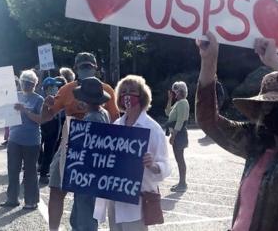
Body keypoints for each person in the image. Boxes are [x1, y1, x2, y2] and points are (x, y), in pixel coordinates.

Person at [195, 32, 278, 231]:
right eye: (268, 106)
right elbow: (209, 121)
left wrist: (275, 61)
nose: (275, 110)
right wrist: (209, 62)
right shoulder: (256, 141)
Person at [40, 52, 119, 231]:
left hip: (92, 154)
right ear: (76, 69)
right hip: (68, 147)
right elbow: (45, 118)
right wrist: (46, 105)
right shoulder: (67, 89)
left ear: (95, 67)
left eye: (88, 66)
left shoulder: (106, 90)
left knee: (85, 197)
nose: (86, 69)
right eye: (83, 67)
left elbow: (116, 122)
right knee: (57, 188)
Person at [93, 75, 170, 231]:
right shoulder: (116, 125)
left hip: (137, 203)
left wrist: (153, 166)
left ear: (141, 96)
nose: (127, 95)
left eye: (132, 91)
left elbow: (166, 165)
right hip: (114, 199)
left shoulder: (152, 129)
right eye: (124, 92)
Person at [0, 70, 44, 210]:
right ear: (20, 82)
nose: (26, 85)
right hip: (14, 139)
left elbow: (40, 120)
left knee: (30, 172)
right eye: (24, 82)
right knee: (12, 170)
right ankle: (12, 199)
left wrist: (25, 111)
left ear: (35, 84)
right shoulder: (14, 96)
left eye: (30, 83)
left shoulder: (39, 99)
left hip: (31, 141)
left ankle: (31, 201)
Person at [71, 77, 111, 230]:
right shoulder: (104, 113)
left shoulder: (92, 118)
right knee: (81, 214)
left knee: (84, 216)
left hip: (88, 173)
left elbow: (88, 147)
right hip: (95, 172)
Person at [165, 81, 190, 192]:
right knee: (179, 159)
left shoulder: (183, 103)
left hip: (179, 134)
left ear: (180, 92)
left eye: (175, 91)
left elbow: (179, 122)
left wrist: (173, 136)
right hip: (178, 134)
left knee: (180, 159)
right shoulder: (179, 103)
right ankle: (181, 182)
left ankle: (182, 183)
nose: (174, 93)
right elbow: (167, 112)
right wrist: (170, 99)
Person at [39, 77, 64, 185]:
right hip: (49, 126)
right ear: (48, 88)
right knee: (48, 150)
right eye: (54, 86)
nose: (56, 88)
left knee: (47, 150)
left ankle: (43, 168)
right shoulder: (46, 99)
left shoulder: (54, 98)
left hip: (51, 127)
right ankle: (43, 174)